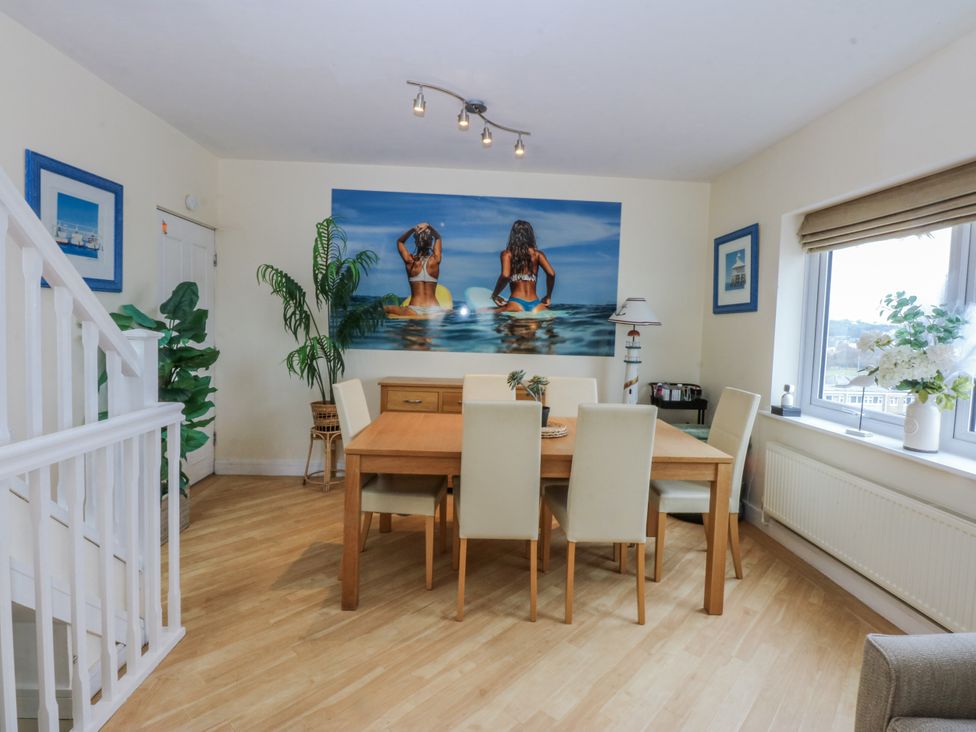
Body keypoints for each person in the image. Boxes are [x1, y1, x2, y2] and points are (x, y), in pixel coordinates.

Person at [490, 220, 555, 312]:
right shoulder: (538, 254)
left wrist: (494, 295)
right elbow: (551, 274)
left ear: (513, 236)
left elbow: (505, 275)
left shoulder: (507, 254)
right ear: (530, 235)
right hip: (536, 304)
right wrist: (548, 296)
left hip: (515, 303)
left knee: (484, 313)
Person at [384, 222, 445, 317]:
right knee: (449, 311)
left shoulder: (410, 261)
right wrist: (428, 226)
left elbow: (399, 242)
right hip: (434, 309)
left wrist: (413, 229)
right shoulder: (436, 260)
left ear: (416, 242)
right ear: (430, 242)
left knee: (385, 308)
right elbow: (438, 237)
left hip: (414, 309)